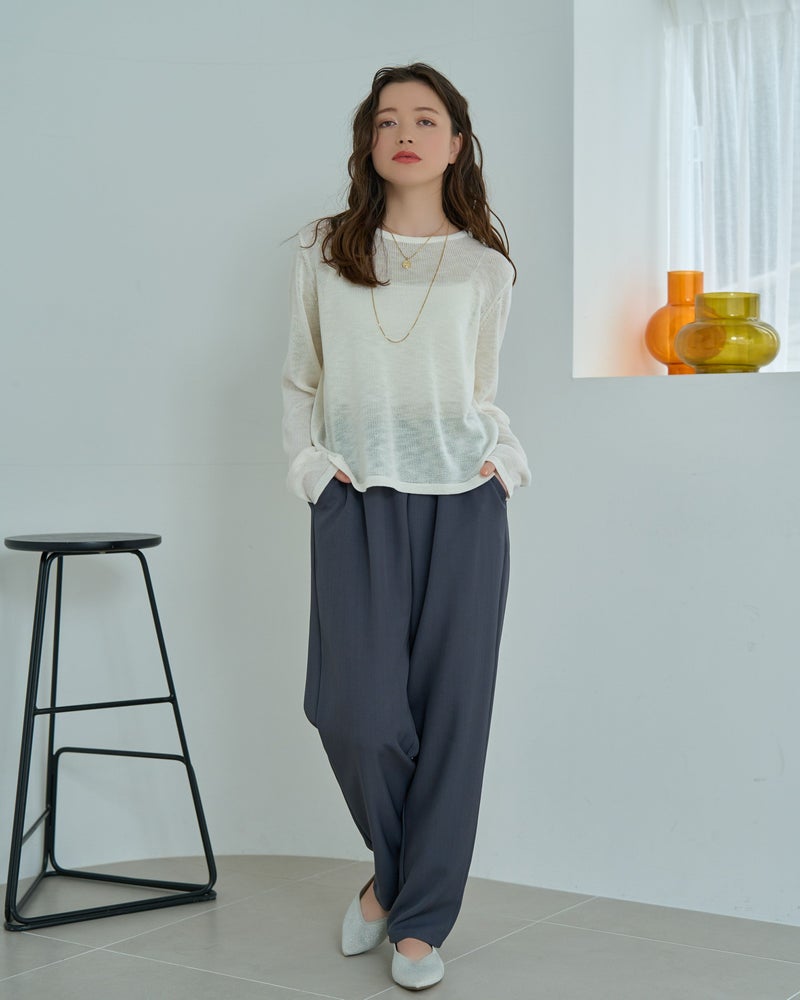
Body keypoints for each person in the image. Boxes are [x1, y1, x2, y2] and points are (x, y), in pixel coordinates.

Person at [281, 62, 530, 992]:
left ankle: (418, 920)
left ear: (456, 144)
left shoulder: (484, 267)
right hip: (357, 497)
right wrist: (313, 473)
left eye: (426, 120)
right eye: (388, 121)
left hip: (466, 500)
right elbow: (300, 378)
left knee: (453, 717)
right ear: (369, 143)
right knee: (354, 712)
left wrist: (505, 466)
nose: (406, 134)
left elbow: (479, 393)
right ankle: (393, 876)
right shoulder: (324, 248)